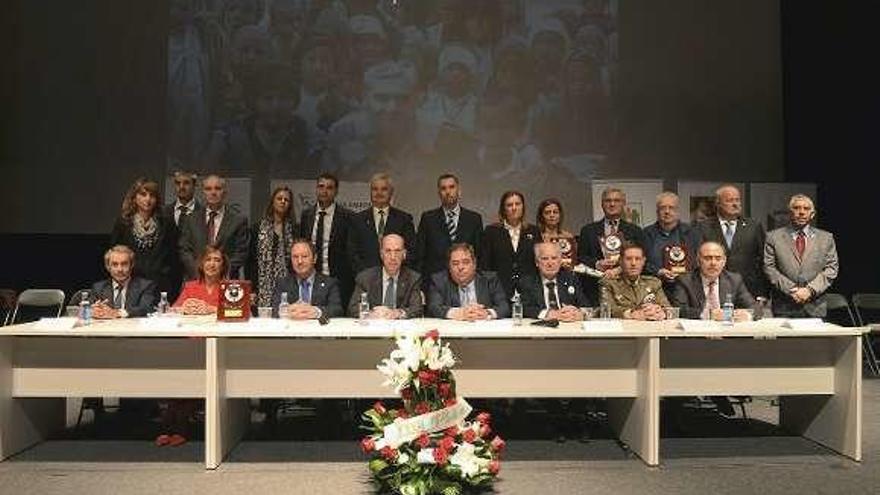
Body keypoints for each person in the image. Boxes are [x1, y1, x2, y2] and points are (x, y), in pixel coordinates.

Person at [764, 194, 839, 317]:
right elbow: (769, 268)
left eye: (806, 209)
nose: (802, 212)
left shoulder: (826, 238)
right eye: (797, 208)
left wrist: (810, 290)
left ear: (812, 214)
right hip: (784, 305)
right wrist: (793, 289)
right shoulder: (773, 237)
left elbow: (831, 269)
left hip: (815, 305)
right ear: (789, 213)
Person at [110, 178, 179, 296]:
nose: (148, 199)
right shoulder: (124, 223)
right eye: (143, 194)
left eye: (152, 195)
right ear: (135, 197)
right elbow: (114, 255)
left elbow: (174, 257)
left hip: (160, 285)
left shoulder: (166, 223)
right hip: (132, 285)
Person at [698, 184, 768, 299]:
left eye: (737, 200)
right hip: (713, 290)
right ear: (718, 203)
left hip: (749, 291)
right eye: (730, 200)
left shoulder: (753, 227)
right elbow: (697, 259)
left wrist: (763, 293)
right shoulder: (703, 227)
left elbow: (763, 261)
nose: (735, 204)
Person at [579, 187, 645, 301]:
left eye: (617, 200)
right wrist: (597, 263)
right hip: (595, 289)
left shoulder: (635, 231)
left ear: (623, 203)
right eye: (608, 200)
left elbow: (642, 259)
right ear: (602, 204)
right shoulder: (588, 230)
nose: (612, 204)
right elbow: (581, 258)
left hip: (626, 289)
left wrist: (620, 268)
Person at [416, 174, 484, 284]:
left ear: (459, 190)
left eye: (452, 187)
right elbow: (420, 255)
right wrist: (420, 285)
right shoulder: (428, 219)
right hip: (435, 284)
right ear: (439, 193)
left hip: (467, 282)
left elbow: (479, 255)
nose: (448, 191)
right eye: (443, 188)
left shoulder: (474, 219)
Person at [178, 174, 249, 280]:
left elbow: (241, 252)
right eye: (208, 189)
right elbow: (184, 250)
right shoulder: (191, 219)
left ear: (225, 192)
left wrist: (221, 272)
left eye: (218, 188)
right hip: (196, 280)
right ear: (203, 192)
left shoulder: (238, 220)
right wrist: (199, 272)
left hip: (226, 281)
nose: (213, 192)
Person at [299, 173, 356, 304]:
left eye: (329, 188)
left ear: (336, 191)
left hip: (338, 281)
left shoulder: (348, 217)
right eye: (321, 186)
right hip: (310, 280)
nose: (324, 191)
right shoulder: (306, 215)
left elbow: (351, 252)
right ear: (316, 189)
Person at [479, 190, 542, 299]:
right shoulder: (491, 231)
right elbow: (485, 264)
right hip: (500, 290)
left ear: (523, 207)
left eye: (517, 204)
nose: (514, 208)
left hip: (529, 290)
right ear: (503, 209)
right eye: (509, 205)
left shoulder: (534, 231)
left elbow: (539, 261)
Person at [348, 173, 416, 274]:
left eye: (384, 189)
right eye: (375, 189)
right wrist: (366, 276)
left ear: (391, 192)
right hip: (365, 279)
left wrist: (394, 272)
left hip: (396, 278)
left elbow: (411, 251)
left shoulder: (404, 219)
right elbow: (352, 253)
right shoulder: (357, 220)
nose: (379, 193)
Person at [671, 241, 755, 321]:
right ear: (698, 261)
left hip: (727, 332)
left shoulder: (734, 280)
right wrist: (709, 314)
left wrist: (747, 314)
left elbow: (755, 308)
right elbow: (679, 310)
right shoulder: (685, 280)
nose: (713, 263)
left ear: (724, 261)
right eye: (707, 258)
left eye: (718, 258)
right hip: (697, 333)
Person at [426, 243, 509, 320]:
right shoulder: (439, 281)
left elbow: (504, 307)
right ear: (449, 267)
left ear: (474, 264)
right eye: (455, 263)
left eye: (465, 262)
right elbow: (434, 307)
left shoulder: (490, 279)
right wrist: (460, 313)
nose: (460, 267)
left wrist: (487, 313)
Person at [348, 234, 422, 319]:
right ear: (381, 254)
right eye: (388, 251)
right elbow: (352, 309)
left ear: (404, 254)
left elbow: (417, 309)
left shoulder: (413, 278)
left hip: (401, 329)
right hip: (373, 328)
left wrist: (397, 313)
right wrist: (371, 314)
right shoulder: (365, 278)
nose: (393, 257)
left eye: (397, 251)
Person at [247, 186, 297, 308]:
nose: (283, 202)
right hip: (261, 286)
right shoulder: (257, 228)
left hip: (288, 286)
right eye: (279, 198)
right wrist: (251, 289)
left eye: (286, 200)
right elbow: (250, 261)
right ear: (272, 201)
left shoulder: (296, 230)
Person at [270, 239, 344, 319]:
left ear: (314, 258)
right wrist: (288, 310)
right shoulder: (283, 284)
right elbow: (275, 310)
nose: (300, 261)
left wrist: (316, 311)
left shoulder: (329, 283)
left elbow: (337, 309)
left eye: (304, 256)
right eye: (295, 257)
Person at [642, 192, 701, 292]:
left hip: (687, 289)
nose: (667, 211)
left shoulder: (692, 233)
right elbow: (640, 261)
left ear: (677, 211)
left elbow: (699, 259)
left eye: (671, 208)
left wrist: (685, 273)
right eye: (663, 208)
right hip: (655, 288)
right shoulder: (646, 234)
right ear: (657, 211)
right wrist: (658, 271)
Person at [521, 242, 590, 321]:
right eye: (545, 258)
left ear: (560, 260)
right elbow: (523, 308)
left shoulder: (570, 278)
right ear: (537, 262)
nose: (550, 263)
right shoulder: (527, 281)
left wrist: (581, 314)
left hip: (569, 327)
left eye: (554, 258)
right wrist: (548, 314)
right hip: (540, 329)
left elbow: (586, 306)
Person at [599, 243, 669, 320]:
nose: (633, 263)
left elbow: (668, 308)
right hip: (623, 329)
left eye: (638, 259)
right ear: (620, 261)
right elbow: (607, 309)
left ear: (643, 261)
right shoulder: (609, 283)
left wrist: (662, 312)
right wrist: (631, 314)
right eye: (628, 259)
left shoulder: (653, 283)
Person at [89, 245, 158, 319]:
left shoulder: (145, 286)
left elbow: (147, 308)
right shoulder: (98, 288)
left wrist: (118, 313)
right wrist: (93, 310)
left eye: (124, 264)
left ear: (131, 265)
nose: (120, 269)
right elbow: (88, 309)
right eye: (115, 264)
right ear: (108, 267)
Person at [174, 246, 227, 315]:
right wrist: (184, 308)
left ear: (223, 266)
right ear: (202, 264)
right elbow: (174, 309)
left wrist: (212, 309)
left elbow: (238, 312)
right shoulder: (190, 287)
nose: (212, 264)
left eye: (217, 260)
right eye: (208, 260)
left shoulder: (229, 288)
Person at [536, 198, 577, 271]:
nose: (552, 215)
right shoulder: (536, 236)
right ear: (541, 216)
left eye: (555, 212)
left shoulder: (568, 236)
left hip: (565, 275)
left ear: (560, 215)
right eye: (547, 212)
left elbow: (574, 263)